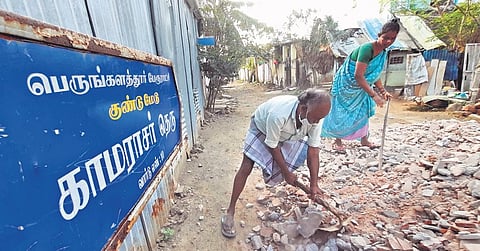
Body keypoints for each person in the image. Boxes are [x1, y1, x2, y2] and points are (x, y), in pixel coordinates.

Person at [220, 88, 331, 238]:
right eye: (315, 118)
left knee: (299, 154)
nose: (317, 122)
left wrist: (314, 185)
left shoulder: (315, 116)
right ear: (304, 109)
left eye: (320, 118)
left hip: (287, 135)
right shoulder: (278, 114)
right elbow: (272, 145)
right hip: (262, 127)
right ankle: (230, 211)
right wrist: (286, 173)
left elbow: (313, 151)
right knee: (247, 166)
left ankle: (282, 172)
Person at [321, 18, 400, 153]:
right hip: (346, 84)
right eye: (386, 38)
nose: (389, 42)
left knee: (363, 110)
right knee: (340, 112)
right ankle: (337, 140)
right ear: (379, 35)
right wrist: (374, 95)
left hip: (362, 85)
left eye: (392, 39)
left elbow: (373, 74)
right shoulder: (366, 49)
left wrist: (382, 91)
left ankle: (364, 139)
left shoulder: (384, 52)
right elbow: (358, 75)